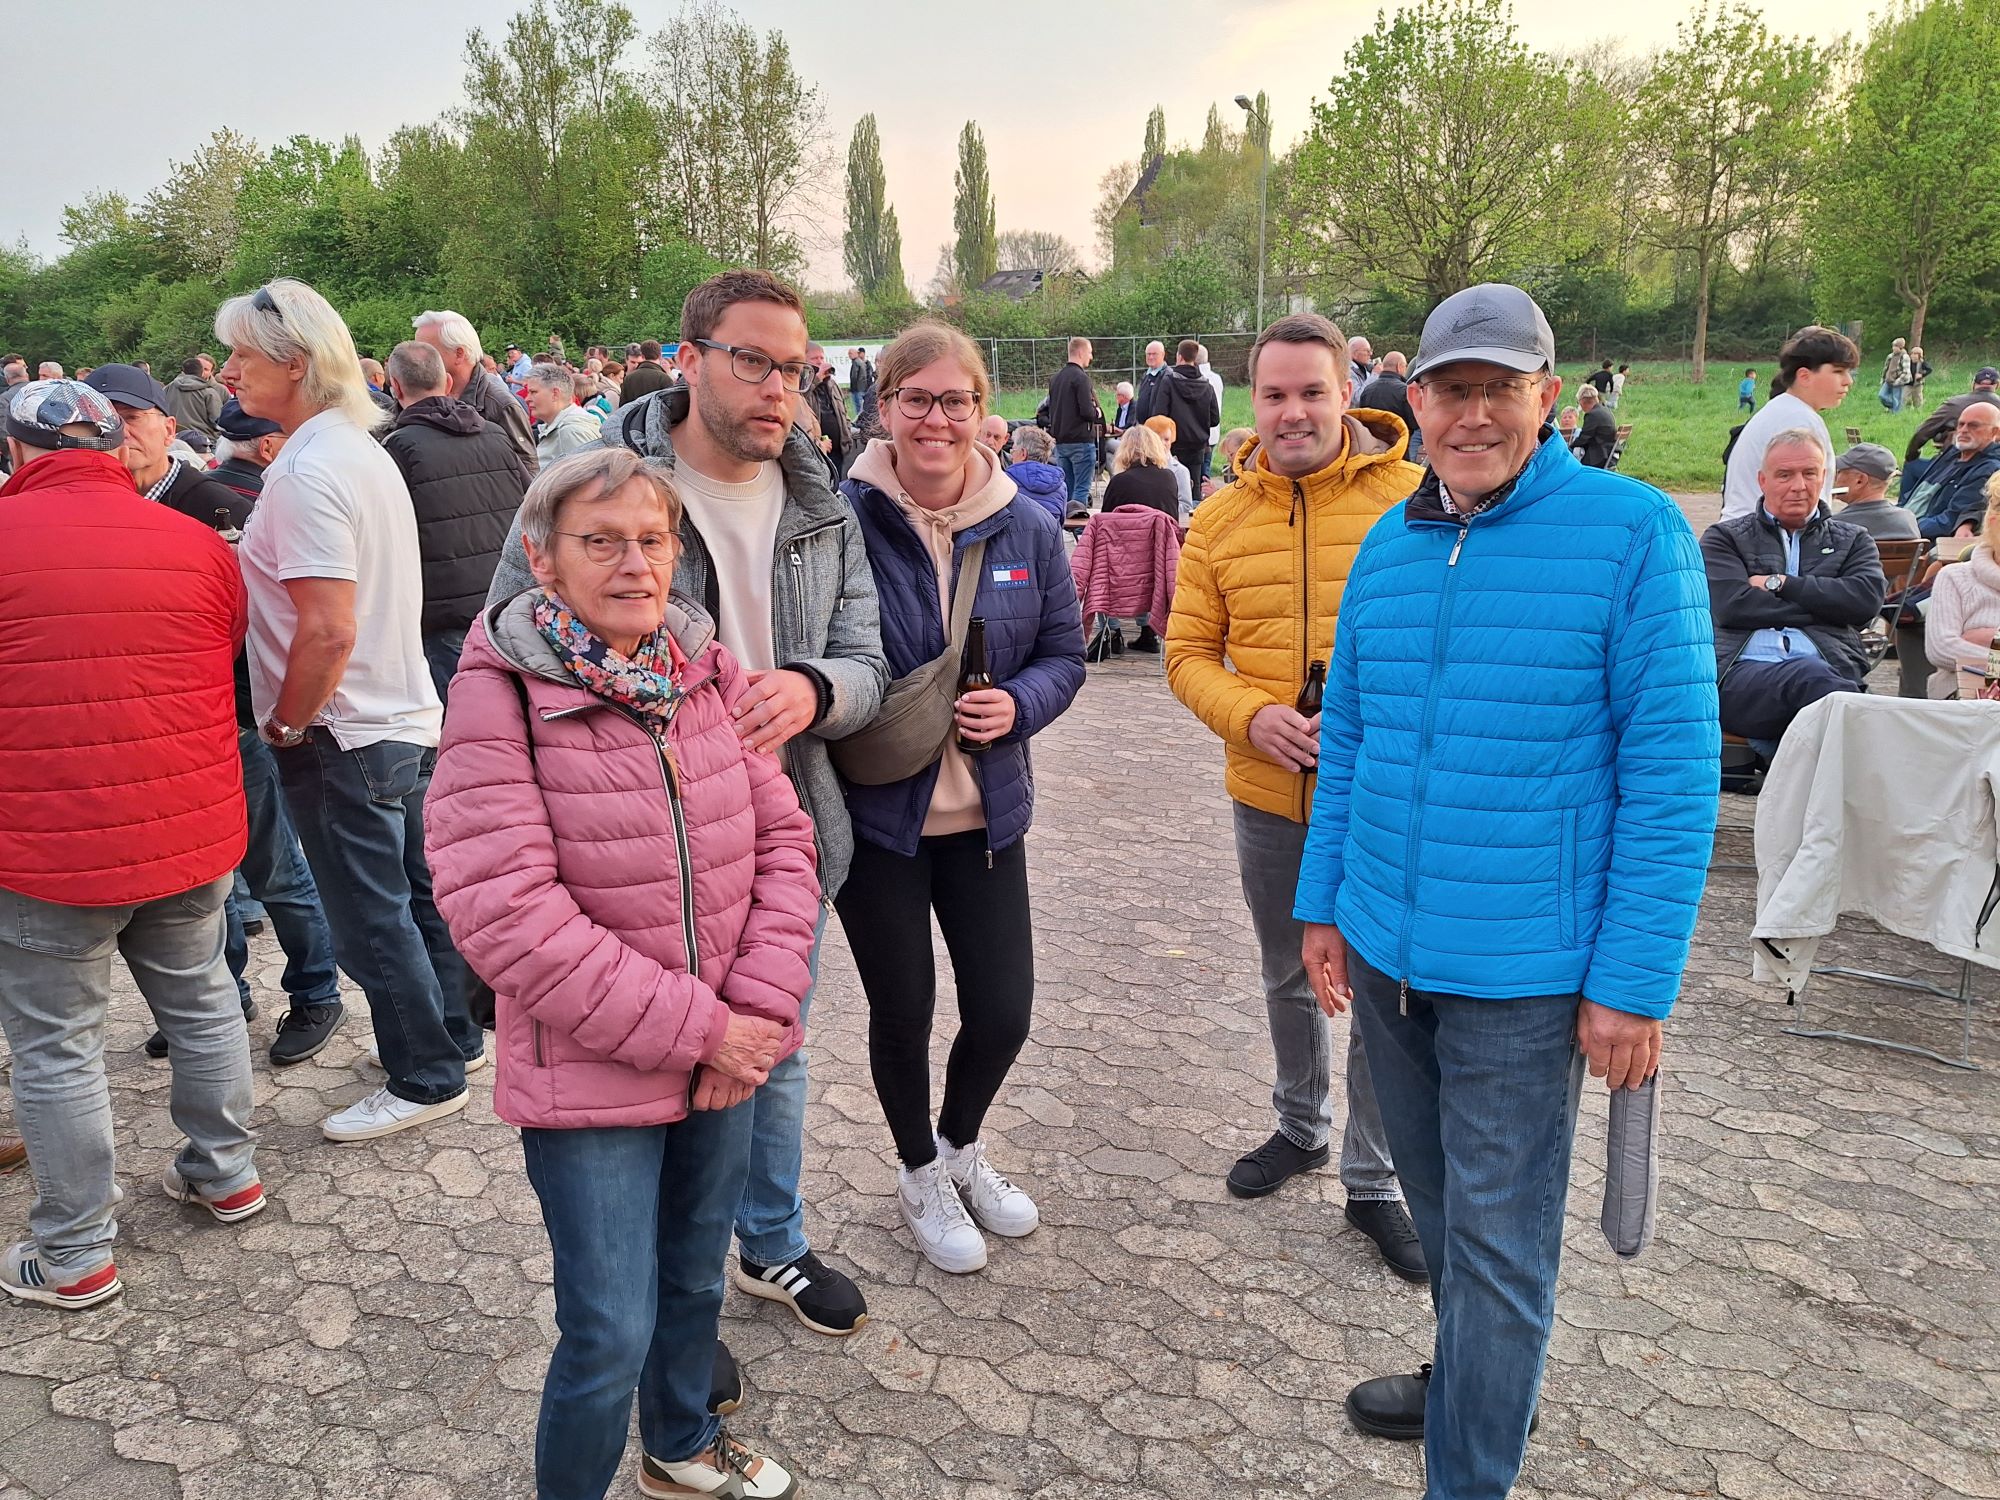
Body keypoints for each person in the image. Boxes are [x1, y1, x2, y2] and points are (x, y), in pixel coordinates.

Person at [1297, 284, 1718, 1492]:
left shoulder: (1630, 533)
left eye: (1498, 388)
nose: (1471, 414)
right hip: (1388, 958)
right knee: (1445, 1225)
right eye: (1450, 389)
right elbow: (1351, 742)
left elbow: (1672, 774)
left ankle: (1467, 1467)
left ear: (1545, 397)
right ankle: (1475, 1386)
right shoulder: (1389, 545)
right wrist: (1322, 903)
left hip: (1523, 980)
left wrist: (1631, 984)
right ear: (1414, 400)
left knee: (1496, 1248)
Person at [489, 269, 887, 1343]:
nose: (777, 388)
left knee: (772, 1049)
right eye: (751, 361)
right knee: (650, 1066)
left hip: (777, 828)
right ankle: (677, 1311)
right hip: (622, 841)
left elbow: (867, 659)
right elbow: (511, 641)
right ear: (690, 359)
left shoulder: (820, 503)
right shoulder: (597, 485)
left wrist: (813, 690)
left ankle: (771, 1243)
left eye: (794, 368)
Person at [427, 447, 812, 1500]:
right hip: (594, 1071)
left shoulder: (704, 668)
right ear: (544, 559)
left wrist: (756, 1013)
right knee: (607, 1329)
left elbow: (786, 842)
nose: (634, 564)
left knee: (692, 1283)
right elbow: (504, 914)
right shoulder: (501, 691)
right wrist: (708, 1030)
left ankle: (680, 1444)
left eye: (651, 540)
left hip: (726, 1053)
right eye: (600, 541)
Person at [1166, 311, 1423, 1281]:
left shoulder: (1414, 503)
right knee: (1286, 972)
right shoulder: (1220, 518)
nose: (1292, 412)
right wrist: (1250, 716)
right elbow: (1187, 654)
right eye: (1273, 394)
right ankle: (1300, 1126)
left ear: (1345, 393)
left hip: (1388, 801)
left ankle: (1373, 1178)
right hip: (1269, 794)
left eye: (1311, 391)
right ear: (1252, 401)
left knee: (1383, 988)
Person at [0, 379, 264, 1310]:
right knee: (202, 1001)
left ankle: (76, 1251)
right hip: (189, 826)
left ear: (19, 452)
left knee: (56, 1046)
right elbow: (225, 649)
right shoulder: (194, 542)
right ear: (115, 446)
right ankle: (227, 1173)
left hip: (48, 845)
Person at [837, 321, 1085, 1274]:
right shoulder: (842, 520)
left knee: (1003, 1011)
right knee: (903, 1009)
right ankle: (917, 1174)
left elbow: (1065, 655)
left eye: (957, 401)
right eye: (917, 399)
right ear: (885, 405)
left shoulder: (1027, 524)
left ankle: (959, 1146)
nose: (937, 420)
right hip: (880, 817)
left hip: (986, 815)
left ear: (985, 411)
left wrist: (1018, 705)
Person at [224, 279, 484, 1142]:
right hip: (393, 711)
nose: (228, 372)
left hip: (343, 727)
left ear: (295, 362)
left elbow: (329, 627)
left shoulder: (309, 468)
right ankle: (450, 1040)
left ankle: (425, 1074)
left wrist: (288, 722)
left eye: (242, 355)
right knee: (413, 896)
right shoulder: (354, 448)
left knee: (369, 915)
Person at [135, 394, 348, 1069]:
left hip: (230, 717)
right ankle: (225, 998)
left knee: (274, 867)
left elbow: (270, 612)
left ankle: (316, 994)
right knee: (204, 876)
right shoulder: (121, 508)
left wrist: (275, 712)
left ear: (167, 426)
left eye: (132, 419)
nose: (120, 436)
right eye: (110, 423)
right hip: (167, 727)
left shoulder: (216, 502)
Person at [1704, 429, 1885, 743]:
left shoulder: (1853, 539)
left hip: (1831, 668)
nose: (1798, 486)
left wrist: (1784, 584)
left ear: (1824, 478)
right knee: (1816, 685)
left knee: (1820, 698)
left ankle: (1793, 762)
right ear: (1763, 481)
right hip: (1740, 676)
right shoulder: (1725, 538)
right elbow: (1731, 607)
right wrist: (1829, 608)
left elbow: (1865, 602)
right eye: (1784, 475)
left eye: (1809, 473)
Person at [381, 339, 532, 705]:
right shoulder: (495, 434)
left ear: (395, 387)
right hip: (505, 599)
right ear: (447, 382)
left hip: (444, 611)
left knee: (463, 715)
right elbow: (531, 504)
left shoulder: (398, 447)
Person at [83, 364, 250, 532]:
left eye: (133, 417)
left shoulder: (224, 511)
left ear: (169, 430)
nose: (120, 432)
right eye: (102, 421)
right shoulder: (78, 506)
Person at [1721, 327, 1858, 521]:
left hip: (1749, 531)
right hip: (1766, 535)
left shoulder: (1783, 410)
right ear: (1804, 376)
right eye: (1838, 371)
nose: (1848, 381)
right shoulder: (1800, 421)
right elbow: (1804, 511)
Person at [412, 311, 537, 477]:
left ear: (459, 354)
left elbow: (528, 475)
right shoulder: (423, 396)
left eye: (428, 351)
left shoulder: (500, 405)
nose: (417, 360)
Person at [1924, 481, 2000, 698]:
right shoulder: (1955, 577)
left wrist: (1987, 638)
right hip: (1963, 703)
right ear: (1993, 521)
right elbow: (1941, 650)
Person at [1903, 400, 2000, 541]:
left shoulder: (1989, 469)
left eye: (1973, 425)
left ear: (1995, 432)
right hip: (1904, 523)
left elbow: (1949, 521)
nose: (1964, 430)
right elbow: (1915, 498)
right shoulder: (1952, 454)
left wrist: (1901, 526)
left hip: (1919, 539)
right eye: (1961, 424)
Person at [1046, 335, 1105, 511]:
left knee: (1067, 489)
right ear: (1080, 353)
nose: (1091, 357)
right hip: (1081, 442)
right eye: (1089, 352)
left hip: (1061, 443)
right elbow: (1086, 411)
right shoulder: (1081, 378)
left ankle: (1066, 524)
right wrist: (1097, 412)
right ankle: (1079, 524)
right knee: (1081, 489)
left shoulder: (1056, 379)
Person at [1904, 365, 2000, 467]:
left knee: (1912, 467)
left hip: (1955, 464)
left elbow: (1923, 432)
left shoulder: (1954, 404)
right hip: (1996, 464)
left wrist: (1912, 456)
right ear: (1997, 385)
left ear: (1973, 383)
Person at [1830, 443, 1920, 540]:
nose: (1835, 477)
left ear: (1860, 480)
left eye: (1839, 471)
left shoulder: (1835, 526)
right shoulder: (1907, 520)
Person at [1158, 340, 1219, 481]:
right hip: (1198, 446)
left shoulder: (1168, 382)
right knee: (1194, 485)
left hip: (1174, 445)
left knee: (1174, 484)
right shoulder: (1207, 385)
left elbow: (1160, 415)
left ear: (1179, 357)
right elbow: (1215, 419)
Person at [1103, 424, 1182, 527]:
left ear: (1124, 450)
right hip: (1161, 535)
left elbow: (1104, 520)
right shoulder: (1169, 478)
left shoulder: (1118, 481)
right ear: (1156, 447)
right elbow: (1173, 517)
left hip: (1127, 535)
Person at [525, 365, 602, 467]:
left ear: (555, 394)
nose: (527, 399)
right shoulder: (563, 427)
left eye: (533, 392)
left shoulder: (571, 431)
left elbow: (589, 473)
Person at [1355, 352, 1417, 460]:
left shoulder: (1367, 390)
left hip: (1373, 452)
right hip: (1400, 452)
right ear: (1399, 366)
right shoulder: (1404, 391)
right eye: (1405, 366)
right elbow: (1414, 423)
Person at [805, 343, 855, 477]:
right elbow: (801, 402)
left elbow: (844, 411)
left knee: (838, 481)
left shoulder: (832, 384)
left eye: (821, 358)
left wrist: (847, 433)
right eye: (814, 358)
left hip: (839, 449)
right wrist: (816, 379)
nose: (820, 362)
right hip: (818, 450)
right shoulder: (802, 384)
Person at [1006, 425, 1067, 524]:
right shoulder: (1060, 486)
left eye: (1013, 451)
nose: (1011, 456)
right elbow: (1060, 522)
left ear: (1023, 453)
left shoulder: (1006, 481)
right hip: (1049, 533)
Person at [165, 356, 226, 442]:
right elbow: (219, 422)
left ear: (183, 371)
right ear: (201, 372)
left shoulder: (169, 388)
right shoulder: (209, 393)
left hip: (174, 439)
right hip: (203, 441)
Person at [1142, 415, 1195, 517]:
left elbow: (1186, 508)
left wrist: (1158, 511)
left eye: (1166, 439)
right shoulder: (1138, 467)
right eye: (1158, 439)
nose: (1163, 443)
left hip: (1169, 523)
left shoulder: (1180, 471)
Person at [1571, 383, 1617, 468]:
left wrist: (1568, 448)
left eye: (1579, 403)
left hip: (1597, 457)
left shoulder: (1592, 415)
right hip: (1609, 453)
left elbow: (1584, 438)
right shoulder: (1605, 411)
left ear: (1583, 402)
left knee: (1570, 459)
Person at [618, 340, 675, 406]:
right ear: (660, 356)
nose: (635, 365)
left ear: (642, 356)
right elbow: (672, 406)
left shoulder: (628, 378)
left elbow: (622, 406)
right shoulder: (665, 378)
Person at [1197, 343, 1224, 476]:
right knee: (1206, 468)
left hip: (1199, 433)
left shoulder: (1198, 379)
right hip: (1213, 432)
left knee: (1198, 473)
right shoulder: (1216, 378)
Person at [1132, 340, 1170, 424]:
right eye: (1148, 354)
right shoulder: (1146, 376)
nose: (1151, 357)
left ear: (1163, 354)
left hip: (1158, 427)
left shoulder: (1168, 377)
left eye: (1154, 354)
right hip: (1143, 427)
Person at [1881, 337, 1913, 412]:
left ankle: (1895, 413)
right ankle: (1893, 406)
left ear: (1900, 347)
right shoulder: (1890, 356)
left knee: (1896, 398)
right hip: (1888, 379)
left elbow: (1906, 372)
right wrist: (1883, 378)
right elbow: (1886, 368)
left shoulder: (1904, 357)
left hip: (1898, 381)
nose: (1893, 348)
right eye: (1893, 346)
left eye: (1896, 346)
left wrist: (1898, 381)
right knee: (1882, 395)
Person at [848, 345, 876, 419]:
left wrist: (852, 389)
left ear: (856, 353)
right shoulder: (861, 362)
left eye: (850, 353)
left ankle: (860, 422)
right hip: (862, 388)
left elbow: (854, 377)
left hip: (857, 389)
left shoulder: (856, 363)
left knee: (859, 409)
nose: (849, 355)